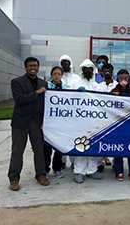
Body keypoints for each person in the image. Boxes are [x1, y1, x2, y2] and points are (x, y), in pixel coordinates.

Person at [8, 57, 49, 191]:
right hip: (20, 122)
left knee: (39, 150)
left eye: (35, 65)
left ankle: (41, 175)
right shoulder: (16, 82)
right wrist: (37, 92)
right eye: (30, 65)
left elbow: (46, 104)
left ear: (38, 67)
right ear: (25, 67)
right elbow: (19, 100)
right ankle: (14, 178)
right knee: (17, 151)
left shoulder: (44, 83)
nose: (33, 67)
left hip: (36, 123)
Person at [73, 59, 103, 184]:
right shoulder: (77, 83)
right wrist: (76, 93)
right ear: (82, 70)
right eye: (86, 69)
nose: (88, 71)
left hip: (94, 120)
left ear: (93, 70)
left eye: (90, 69)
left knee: (93, 145)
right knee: (81, 145)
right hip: (80, 120)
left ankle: (92, 170)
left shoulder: (97, 85)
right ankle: (79, 171)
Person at [111, 69, 130, 181]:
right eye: (121, 78)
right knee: (118, 148)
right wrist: (112, 96)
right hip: (117, 124)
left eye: (126, 78)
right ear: (118, 79)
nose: (123, 80)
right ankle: (119, 171)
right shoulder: (113, 90)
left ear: (129, 79)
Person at [44, 66, 66, 178]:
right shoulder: (46, 86)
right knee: (47, 148)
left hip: (61, 122)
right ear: (51, 75)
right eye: (54, 73)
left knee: (59, 148)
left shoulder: (66, 87)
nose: (57, 76)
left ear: (62, 75)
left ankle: (57, 168)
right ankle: (45, 170)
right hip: (48, 122)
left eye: (59, 74)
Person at [59, 55, 80, 169]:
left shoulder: (76, 78)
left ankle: (73, 161)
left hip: (74, 114)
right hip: (61, 114)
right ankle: (62, 161)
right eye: (63, 62)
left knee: (72, 138)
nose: (65, 64)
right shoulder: (58, 77)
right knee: (61, 137)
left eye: (67, 62)